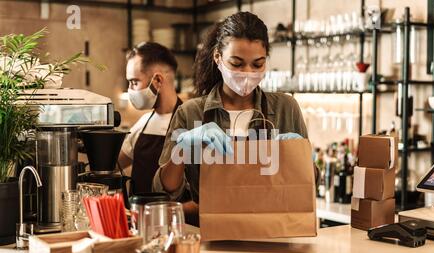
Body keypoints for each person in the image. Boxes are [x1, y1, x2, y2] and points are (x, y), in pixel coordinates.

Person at [152, 12, 311, 226]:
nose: (247, 73)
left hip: (275, 233)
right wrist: (182, 149)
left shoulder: (285, 108)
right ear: (218, 57)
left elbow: (309, 183)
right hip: (212, 235)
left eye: (257, 64)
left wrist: (297, 154)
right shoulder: (190, 113)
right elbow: (164, 190)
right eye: (236, 63)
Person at [118, 42, 184, 195]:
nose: (130, 90)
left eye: (134, 82)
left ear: (158, 81)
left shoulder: (191, 122)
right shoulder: (143, 123)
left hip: (172, 218)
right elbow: (115, 165)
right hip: (138, 216)